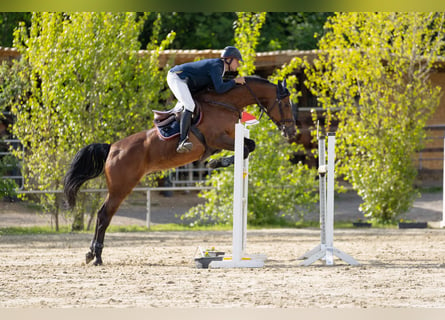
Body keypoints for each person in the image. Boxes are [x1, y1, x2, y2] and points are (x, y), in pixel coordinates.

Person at [167, 46, 246, 153]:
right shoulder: (217, 66)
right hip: (177, 77)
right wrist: (235, 81)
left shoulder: (220, 69)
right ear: (229, 59)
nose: (238, 64)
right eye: (237, 61)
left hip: (186, 81)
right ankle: (182, 141)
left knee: (195, 103)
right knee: (190, 105)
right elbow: (220, 88)